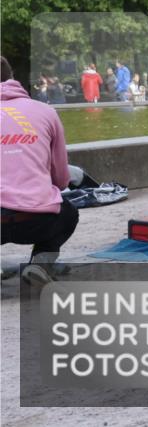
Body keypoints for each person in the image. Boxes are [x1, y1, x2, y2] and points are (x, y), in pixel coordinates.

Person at [0, 56, 78, 286]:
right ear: (12, 77)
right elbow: (61, 180)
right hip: (37, 220)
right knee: (68, 213)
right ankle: (40, 265)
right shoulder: (46, 111)